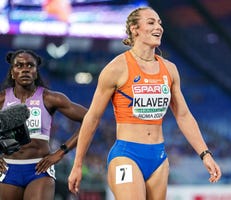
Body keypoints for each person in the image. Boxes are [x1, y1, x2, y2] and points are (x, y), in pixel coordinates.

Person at [68, 6, 221, 199]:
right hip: (127, 155)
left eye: (159, 23)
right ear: (134, 29)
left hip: (158, 158)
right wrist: (78, 164)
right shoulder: (116, 68)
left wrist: (205, 154)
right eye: (151, 22)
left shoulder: (170, 69)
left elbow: (183, 115)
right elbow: (93, 117)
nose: (159, 27)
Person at [0, 49, 88, 200]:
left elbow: (90, 119)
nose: (25, 69)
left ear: (36, 71)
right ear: (12, 72)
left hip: (39, 169)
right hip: (8, 168)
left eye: (30, 65)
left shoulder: (50, 98)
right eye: (19, 66)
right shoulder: (2, 99)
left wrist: (60, 153)